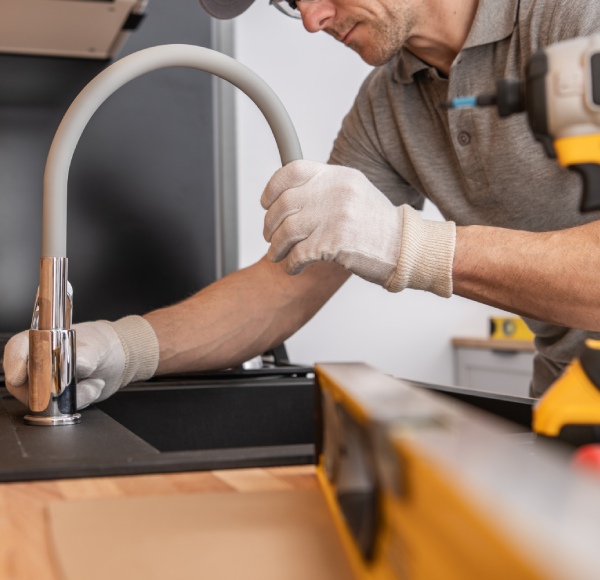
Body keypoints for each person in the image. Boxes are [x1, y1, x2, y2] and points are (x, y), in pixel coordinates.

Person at [4, 0, 600, 407]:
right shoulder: (389, 104)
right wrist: (120, 347)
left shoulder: (573, 18)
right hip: (568, 398)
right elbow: (284, 287)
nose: (313, 20)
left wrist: (407, 246)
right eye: (291, 0)